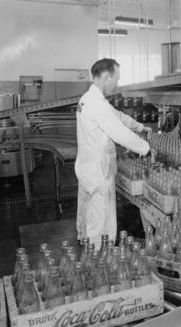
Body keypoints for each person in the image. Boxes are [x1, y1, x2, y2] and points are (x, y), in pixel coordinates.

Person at [75, 58, 151, 249]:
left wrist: (140, 127)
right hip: (98, 171)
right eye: (115, 80)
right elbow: (119, 133)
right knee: (101, 221)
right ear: (107, 77)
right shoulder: (96, 103)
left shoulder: (88, 99)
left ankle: (85, 243)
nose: (116, 85)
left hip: (87, 167)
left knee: (86, 211)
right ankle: (98, 259)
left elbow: (118, 117)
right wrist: (145, 149)